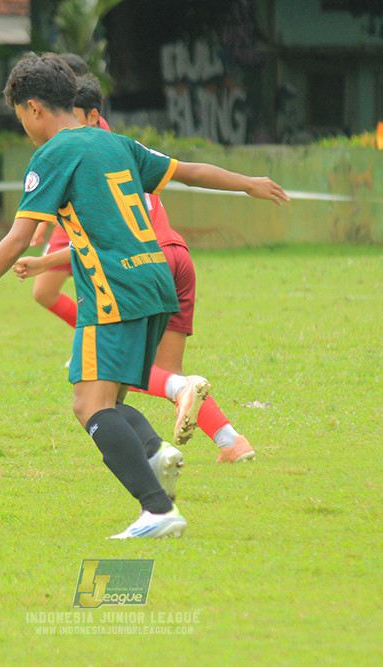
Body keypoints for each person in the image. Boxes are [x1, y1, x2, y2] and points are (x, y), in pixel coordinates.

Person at [0, 53, 288, 539]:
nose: (24, 129)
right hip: (157, 282)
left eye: (19, 119)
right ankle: (157, 455)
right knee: (111, 401)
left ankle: (157, 510)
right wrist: (248, 184)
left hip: (114, 292)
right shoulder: (113, 142)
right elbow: (189, 172)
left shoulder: (52, 154)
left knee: (89, 407)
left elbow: (17, 237)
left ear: (34, 109)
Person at [15, 74, 256, 464]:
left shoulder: (74, 156)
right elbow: (187, 173)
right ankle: (231, 440)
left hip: (132, 271)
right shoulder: (121, 144)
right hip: (174, 258)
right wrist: (247, 183)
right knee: (162, 369)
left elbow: (96, 246)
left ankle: (154, 383)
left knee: (131, 377)